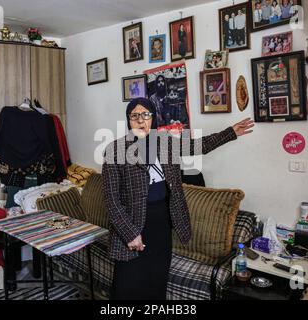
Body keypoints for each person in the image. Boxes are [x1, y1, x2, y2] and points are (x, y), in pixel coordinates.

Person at [103, 98, 254, 300]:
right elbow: (111, 200)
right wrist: (130, 234)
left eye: (145, 114)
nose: (140, 120)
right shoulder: (115, 150)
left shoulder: (165, 142)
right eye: (134, 116)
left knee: (156, 279)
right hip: (133, 223)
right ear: (128, 120)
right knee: (127, 284)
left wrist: (231, 133)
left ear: (153, 118)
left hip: (162, 223)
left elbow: (199, 145)